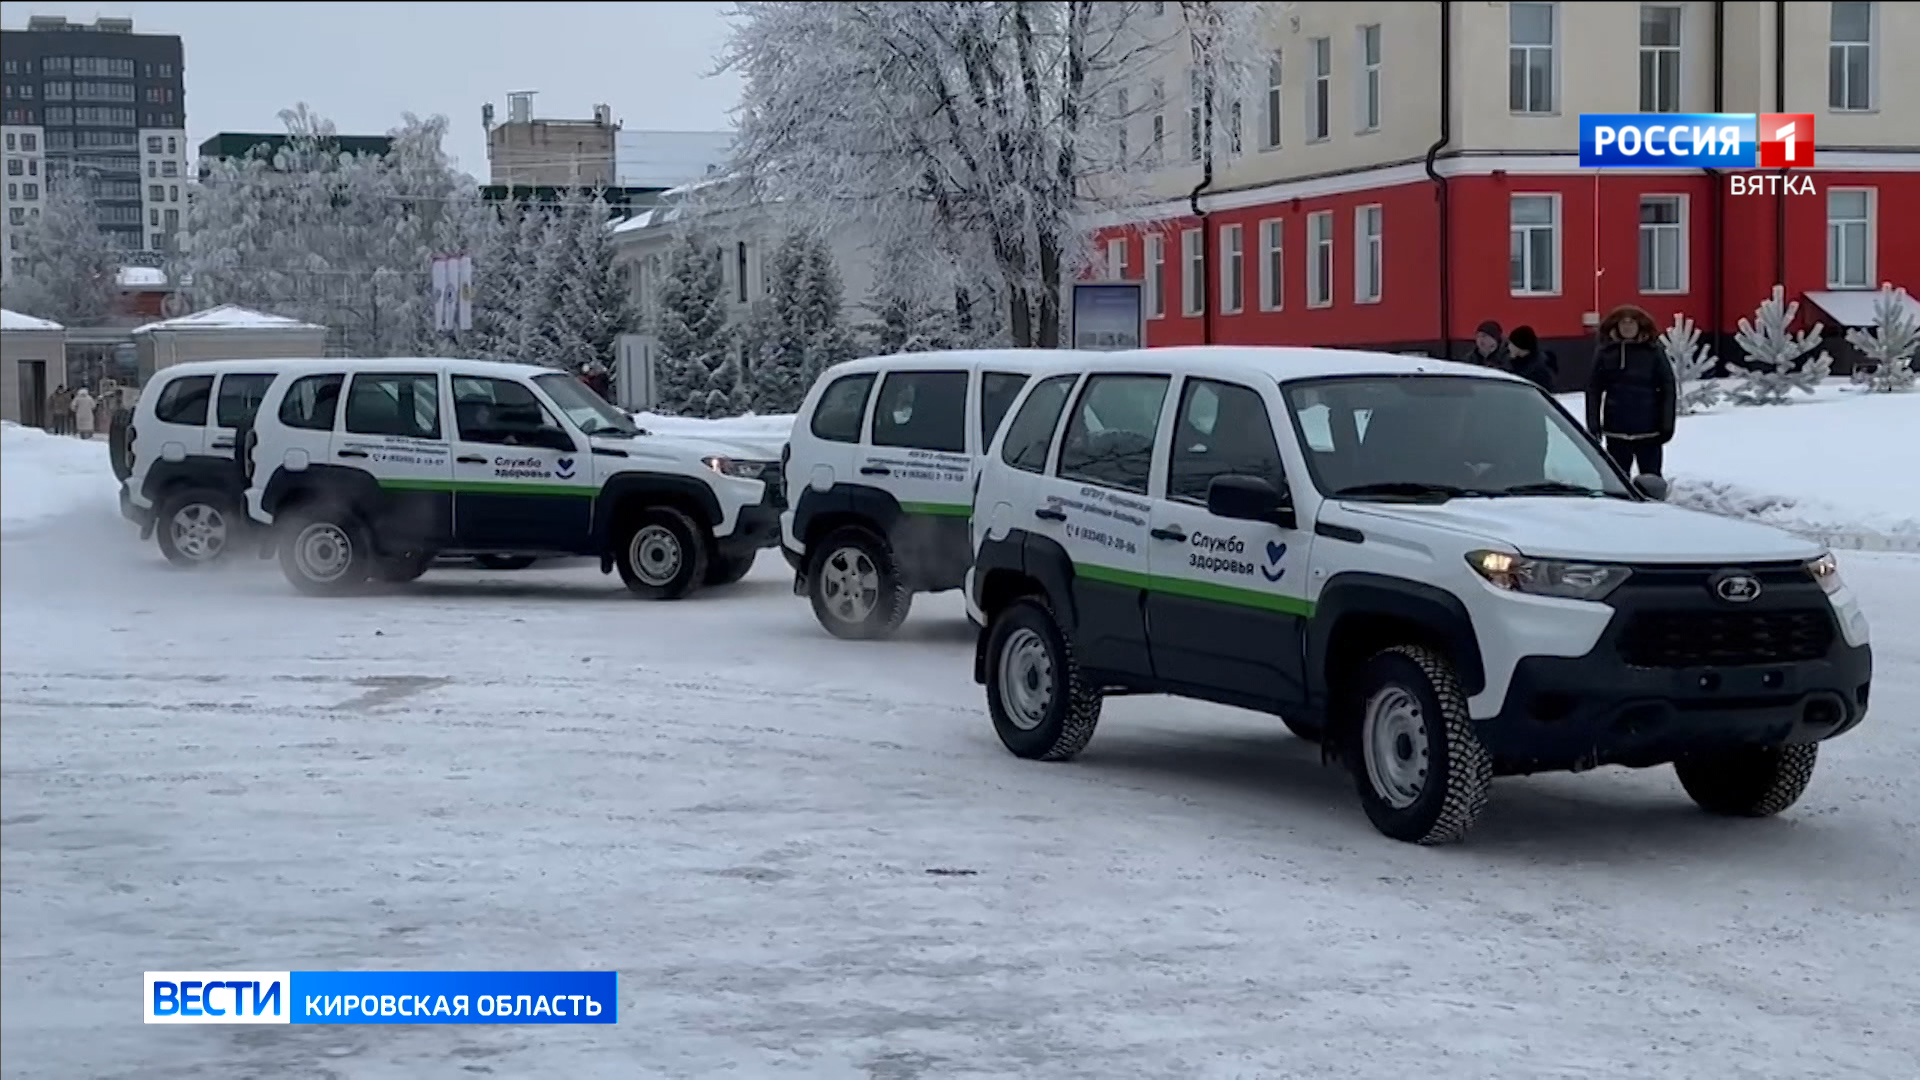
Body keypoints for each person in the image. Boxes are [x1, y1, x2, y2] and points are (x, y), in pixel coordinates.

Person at [1586, 303, 1675, 477]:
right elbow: (1593, 389)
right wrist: (1593, 424)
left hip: (1649, 431)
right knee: (1618, 479)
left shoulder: (1653, 352)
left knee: (1651, 479)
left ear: (1640, 325)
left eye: (1632, 323)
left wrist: (1667, 424)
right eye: (1623, 323)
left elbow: (1668, 388)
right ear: (1616, 326)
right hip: (1616, 431)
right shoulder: (1606, 352)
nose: (1627, 327)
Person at [1506, 325, 1559, 391]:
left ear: (1519, 345)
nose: (1508, 347)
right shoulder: (1512, 363)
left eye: (1511, 343)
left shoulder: (1540, 370)